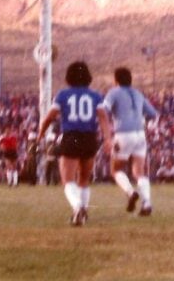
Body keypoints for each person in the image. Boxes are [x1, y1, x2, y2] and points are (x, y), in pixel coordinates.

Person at [39, 61, 108, 226]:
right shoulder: (96, 95)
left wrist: (40, 134)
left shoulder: (63, 95)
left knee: (67, 180)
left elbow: (49, 117)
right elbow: (103, 118)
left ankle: (77, 208)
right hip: (90, 138)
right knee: (84, 178)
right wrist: (108, 139)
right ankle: (83, 213)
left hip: (71, 137)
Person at [101, 67, 158, 216]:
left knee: (116, 170)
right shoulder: (138, 93)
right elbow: (153, 113)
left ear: (116, 80)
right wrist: (141, 120)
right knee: (139, 172)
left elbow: (103, 110)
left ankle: (130, 192)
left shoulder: (114, 92)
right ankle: (147, 203)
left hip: (123, 134)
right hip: (140, 134)